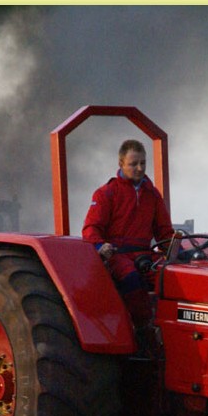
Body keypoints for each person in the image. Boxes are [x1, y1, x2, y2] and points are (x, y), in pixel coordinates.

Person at [82, 139, 174, 332]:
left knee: (170, 277)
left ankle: (169, 327)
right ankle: (143, 330)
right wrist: (100, 246)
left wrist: (177, 253)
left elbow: (164, 231)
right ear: (121, 163)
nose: (139, 168)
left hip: (145, 254)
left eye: (143, 163)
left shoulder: (152, 195)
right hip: (118, 254)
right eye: (133, 164)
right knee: (131, 278)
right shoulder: (106, 193)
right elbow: (91, 229)